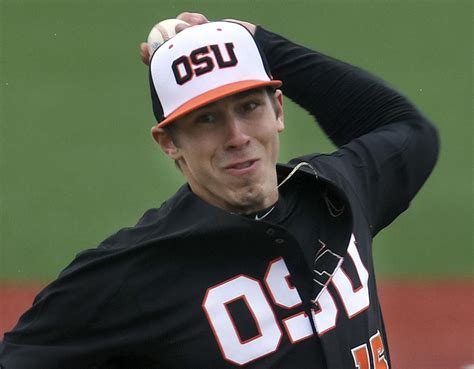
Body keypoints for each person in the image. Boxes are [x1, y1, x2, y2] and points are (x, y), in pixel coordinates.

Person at [0, 12, 439, 369]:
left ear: (278, 109)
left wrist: (257, 42)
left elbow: (407, 130)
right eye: (206, 120)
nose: (237, 136)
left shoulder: (336, 193)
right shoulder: (133, 270)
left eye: (249, 107)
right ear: (169, 142)